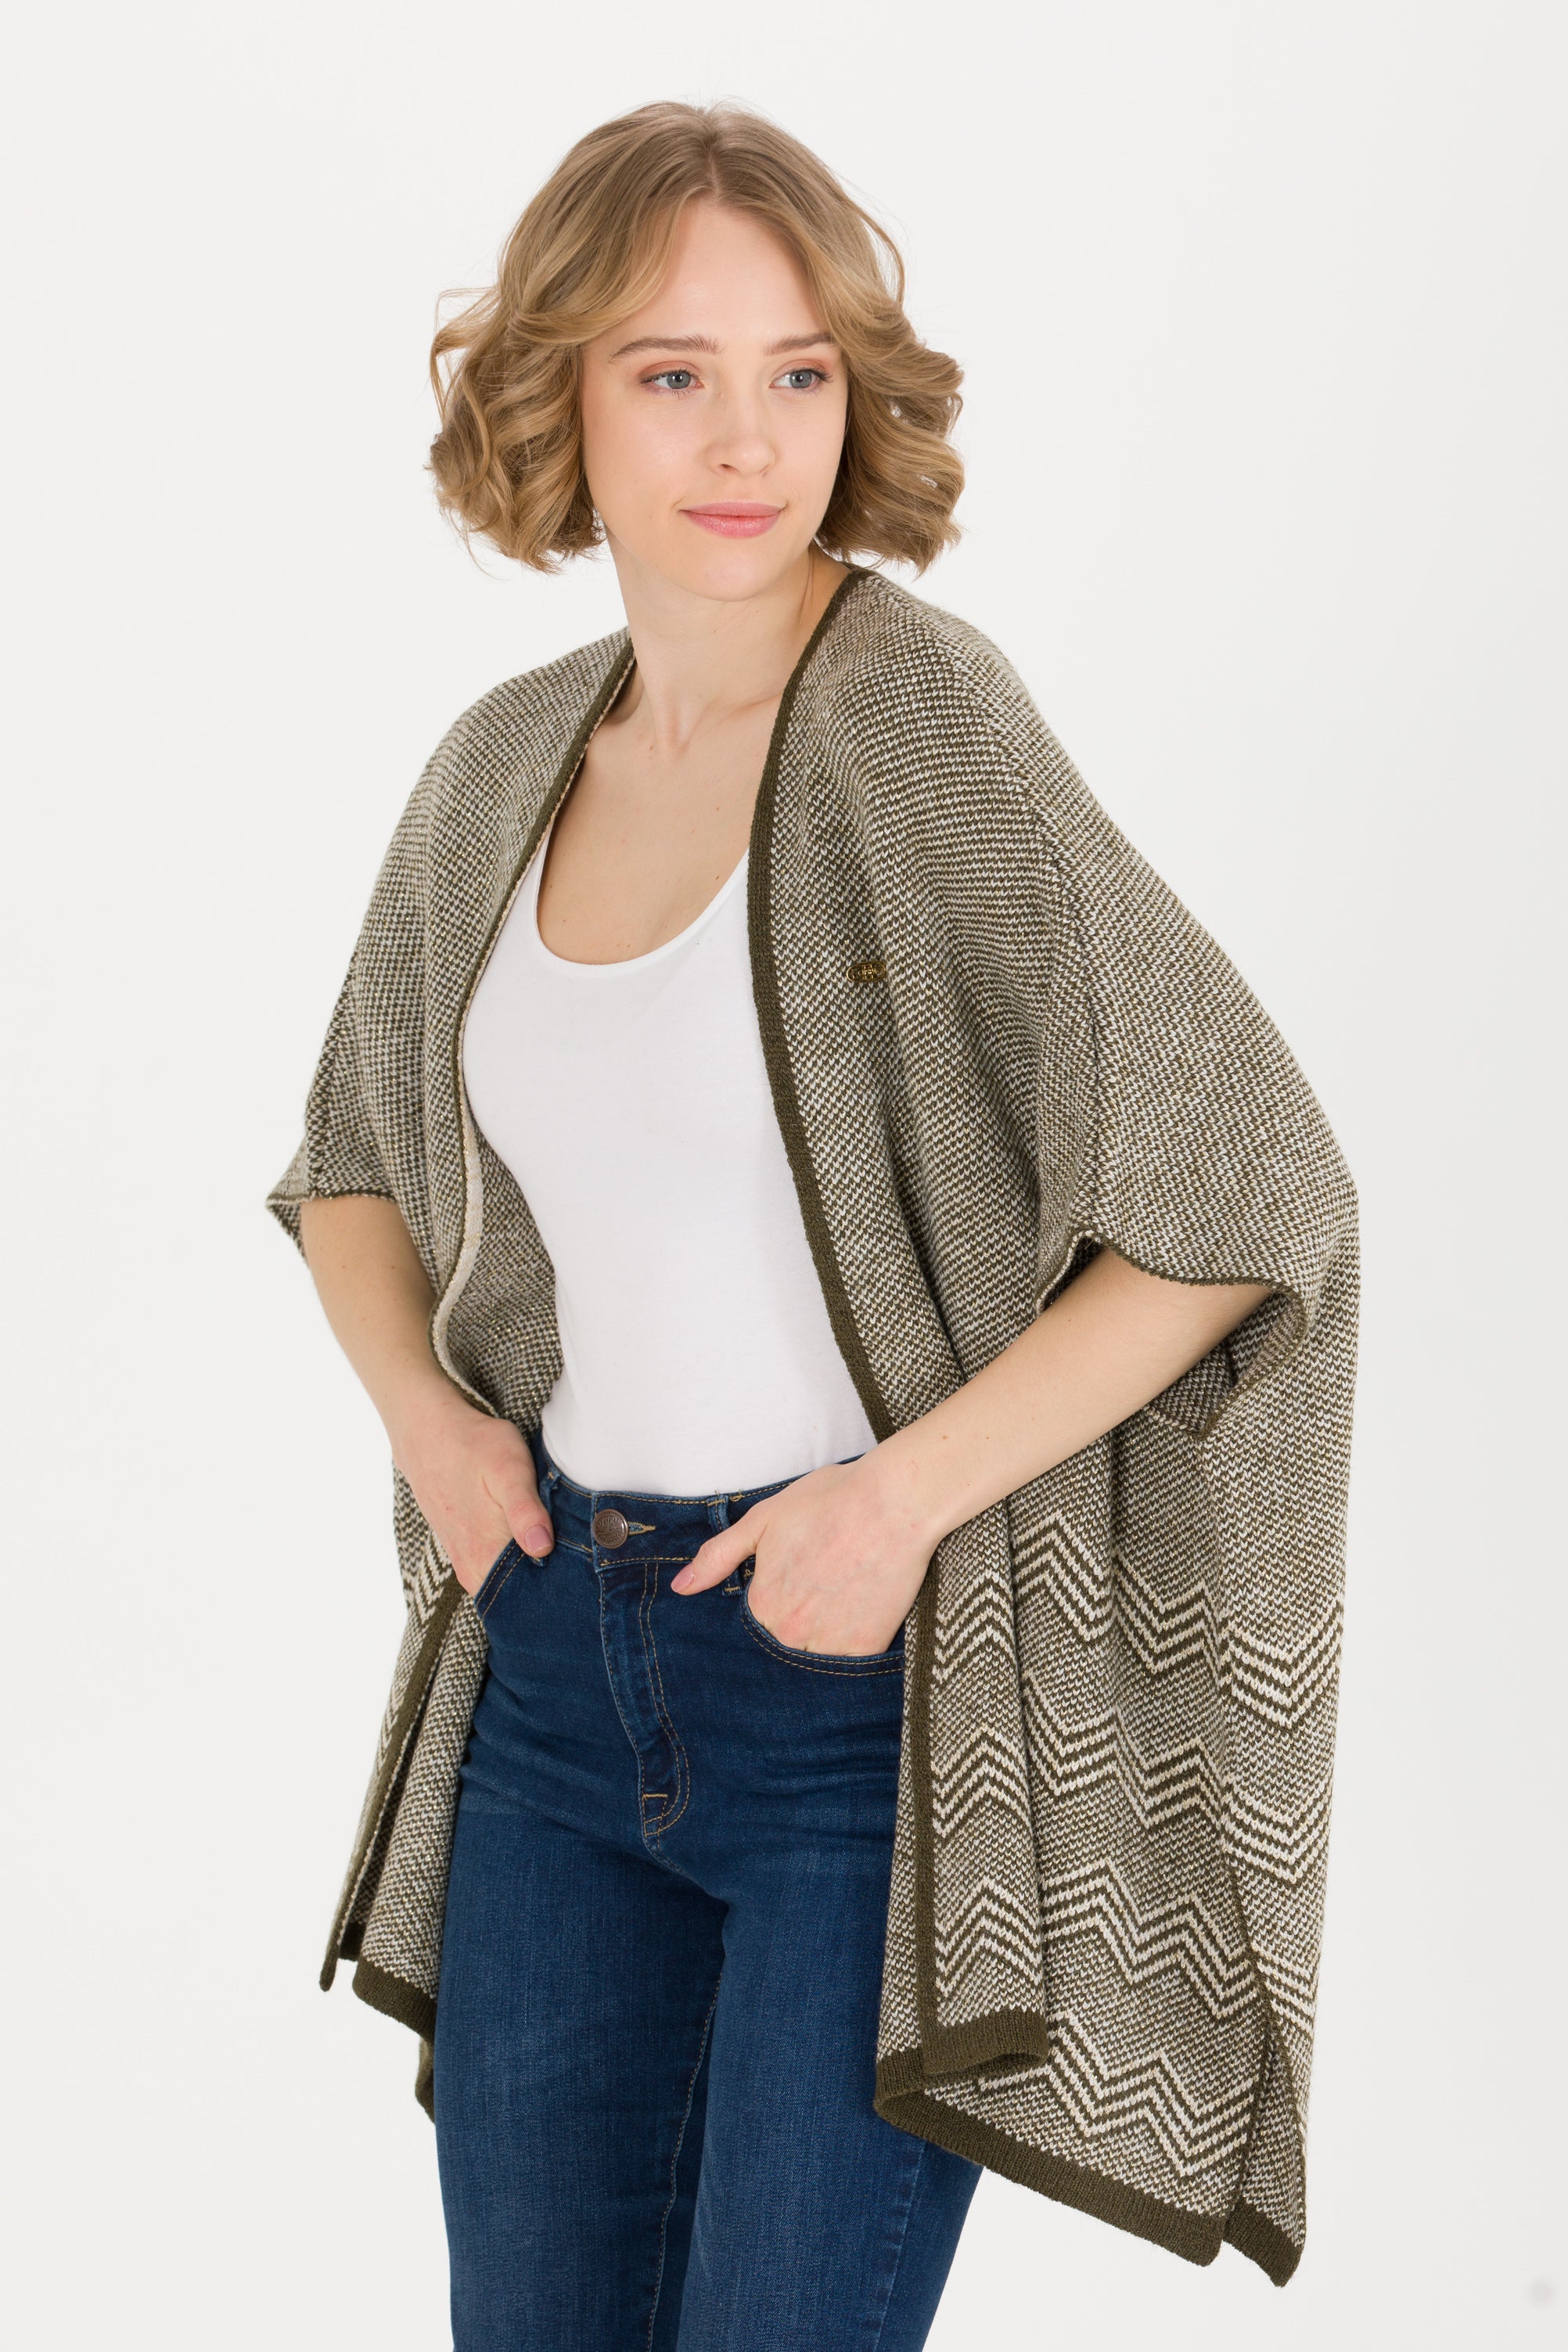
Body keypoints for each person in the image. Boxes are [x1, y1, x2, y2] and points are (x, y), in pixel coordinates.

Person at [268, 99, 1358, 2350]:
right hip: (555, 1683)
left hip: (847, 1716)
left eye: (797, 371)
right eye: (671, 371)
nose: (745, 438)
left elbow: (1245, 1183)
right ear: (561, 394)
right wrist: (435, 1432)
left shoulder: (918, 726)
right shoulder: (500, 766)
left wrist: (893, 1506)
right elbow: (354, 1160)